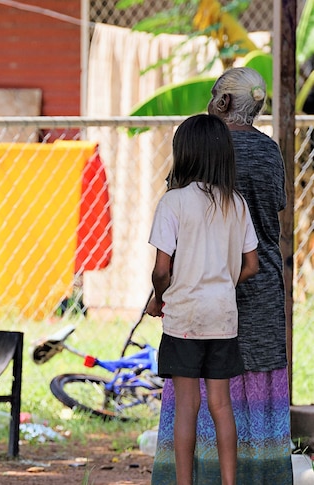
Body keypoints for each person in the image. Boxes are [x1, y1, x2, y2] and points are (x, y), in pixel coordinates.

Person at [150, 68, 293, 485]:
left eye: (214, 95)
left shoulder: (200, 151)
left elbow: (170, 251)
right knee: (245, 390)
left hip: (194, 296)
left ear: (224, 102)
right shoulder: (269, 151)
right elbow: (273, 217)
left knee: (193, 396)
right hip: (259, 286)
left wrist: (164, 292)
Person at [145, 113, 259, 485]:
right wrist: (224, 283)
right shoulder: (236, 203)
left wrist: (159, 299)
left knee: (187, 406)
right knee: (222, 406)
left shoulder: (173, 203)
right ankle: (229, 482)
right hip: (223, 318)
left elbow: (162, 270)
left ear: (185, 154)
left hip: (185, 319)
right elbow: (252, 264)